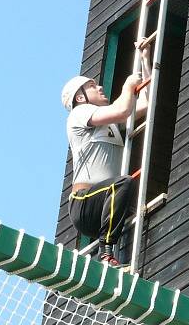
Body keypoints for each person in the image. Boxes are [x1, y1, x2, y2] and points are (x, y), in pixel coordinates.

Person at [61, 38, 152, 267]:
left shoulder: (110, 125)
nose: (99, 87)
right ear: (80, 97)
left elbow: (145, 104)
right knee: (123, 183)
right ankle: (106, 252)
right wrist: (128, 86)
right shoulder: (79, 114)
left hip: (102, 201)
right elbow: (122, 109)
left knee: (122, 186)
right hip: (85, 202)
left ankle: (108, 248)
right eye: (92, 86)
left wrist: (145, 60)